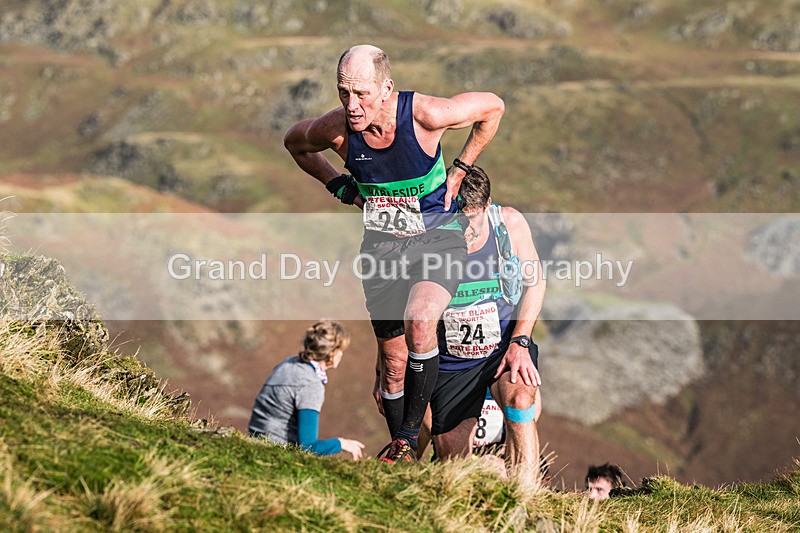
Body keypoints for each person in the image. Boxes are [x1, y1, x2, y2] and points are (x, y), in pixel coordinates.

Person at [284, 44, 505, 462]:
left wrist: (461, 167)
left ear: (387, 89)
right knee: (393, 361)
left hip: (437, 238)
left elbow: (493, 107)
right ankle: (403, 455)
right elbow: (295, 143)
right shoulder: (337, 128)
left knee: (421, 320)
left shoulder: (426, 115)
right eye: (343, 92)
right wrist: (339, 185)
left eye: (362, 94)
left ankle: (404, 439)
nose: (352, 105)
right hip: (383, 247)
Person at [430, 165, 545, 483]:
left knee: (520, 400)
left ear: (488, 204)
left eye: (474, 219)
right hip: (452, 361)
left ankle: (525, 496)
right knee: (453, 468)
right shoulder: (430, 232)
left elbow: (535, 284)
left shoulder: (508, 223)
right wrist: (385, 366)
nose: (468, 231)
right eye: (460, 220)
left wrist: (520, 342)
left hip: (504, 348)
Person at [248, 321, 365, 460]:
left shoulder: (287, 364)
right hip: (277, 453)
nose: (342, 355)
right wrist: (341, 443)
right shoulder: (311, 384)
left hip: (254, 441)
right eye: (340, 351)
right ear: (331, 354)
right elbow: (308, 447)